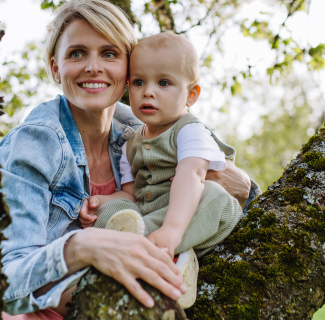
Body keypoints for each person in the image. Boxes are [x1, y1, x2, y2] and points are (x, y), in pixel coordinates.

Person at [0, 0, 257, 319]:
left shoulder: (139, 128)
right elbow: (3, 283)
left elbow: (224, 181)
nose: (93, 67)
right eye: (77, 53)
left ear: (128, 68)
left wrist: (243, 186)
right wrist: (82, 245)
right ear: (55, 67)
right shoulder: (37, 142)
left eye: (109, 54)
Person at [78, 32, 249, 308]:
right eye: (138, 82)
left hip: (195, 220)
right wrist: (102, 201)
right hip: (153, 220)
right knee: (111, 213)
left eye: (164, 82)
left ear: (191, 95)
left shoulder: (190, 131)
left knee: (214, 195)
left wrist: (171, 231)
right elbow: (131, 194)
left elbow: (192, 176)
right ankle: (176, 265)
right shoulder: (130, 143)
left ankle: (150, 251)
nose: (148, 91)